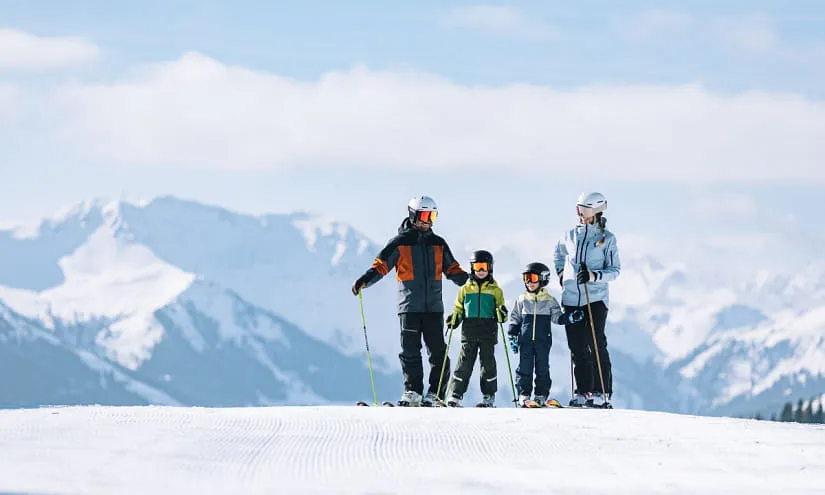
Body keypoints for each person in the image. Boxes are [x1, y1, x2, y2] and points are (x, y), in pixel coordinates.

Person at [352, 195, 469, 407]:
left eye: (433, 215)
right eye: (425, 215)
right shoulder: (400, 243)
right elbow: (380, 266)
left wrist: (470, 283)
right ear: (413, 215)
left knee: (438, 352)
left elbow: (452, 269)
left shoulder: (438, 244)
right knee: (410, 351)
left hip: (433, 307)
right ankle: (413, 391)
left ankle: (435, 394)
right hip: (409, 307)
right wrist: (364, 281)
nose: (429, 220)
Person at [553, 192, 621, 408]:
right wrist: (562, 275)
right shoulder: (570, 235)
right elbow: (558, 253)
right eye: (577, 209)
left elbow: (615, 270)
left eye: (583, 210)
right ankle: (583, 391)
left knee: (595, 342)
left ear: (596, 211)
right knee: (577, 346)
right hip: (572, 297)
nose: (579, 214)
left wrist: (594, 276)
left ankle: (602, 392)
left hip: (596, 298)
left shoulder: (607, 239)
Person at [506, 262, 584, 407]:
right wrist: (512, 334)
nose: (529, 282)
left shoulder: (549, 301)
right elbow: (515, 318)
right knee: (524, 368)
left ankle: (541, 394)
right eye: (526, 278)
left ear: (543, 279)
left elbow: (557, 317)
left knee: (542, 369)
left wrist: (570, 318)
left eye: (533, 278)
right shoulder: (522, 299)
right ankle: (524, 394)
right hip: (525, 341)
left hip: (543, 341)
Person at [444, 250, 508, 408]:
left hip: (488, 331)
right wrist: (455, 319)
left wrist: (501, 314)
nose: (480, 271)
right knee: (464, 364)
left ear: (490, 268)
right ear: (472, 268)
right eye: (477, 267)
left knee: (488, 365)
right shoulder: (465, 289)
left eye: (484, 267)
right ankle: (455, 395)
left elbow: (501, 310)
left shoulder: (495, 290)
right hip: (469, 331)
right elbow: (459, 308)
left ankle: (488, 396)